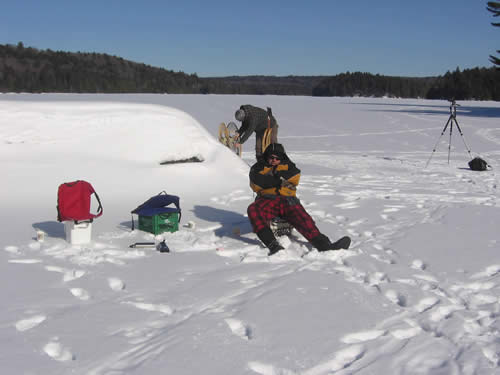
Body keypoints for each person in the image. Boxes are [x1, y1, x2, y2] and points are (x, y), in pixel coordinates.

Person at [247, 143, 351, 255]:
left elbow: (294, 178)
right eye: (271, 157)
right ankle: (273, 245)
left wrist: (270, 178)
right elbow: (256, 183)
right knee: (253, 209)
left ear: (282, 157)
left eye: (277, 158)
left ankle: (324, 245)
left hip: (287, 199)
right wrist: (279, 180)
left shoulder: (289, 166)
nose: (274, 160)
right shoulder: (257, 167)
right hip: (266, 199)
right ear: (266, 156)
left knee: (303, 218)